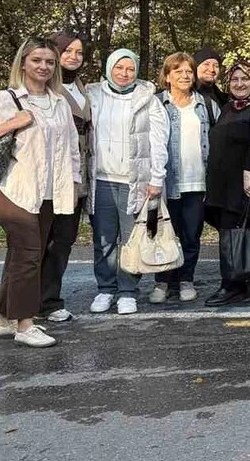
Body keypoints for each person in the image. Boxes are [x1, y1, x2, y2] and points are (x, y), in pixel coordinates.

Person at [0, 38, 80, 347]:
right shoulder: (5, 98)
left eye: (50, 62)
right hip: (12, 188)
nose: (44, 66)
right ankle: (26, 324)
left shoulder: (59, 102)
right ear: (24, 62)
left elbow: (71, 148)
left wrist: (74, 182)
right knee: (29, 253)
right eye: (37, 60)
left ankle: (5, 317)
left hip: (48, 191)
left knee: (25, 253)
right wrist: (13, 122)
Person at [85, 49, 168, 315]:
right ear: (109, 68)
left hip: (136, 182)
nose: (124, 73)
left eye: (130, 69)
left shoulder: (148, 99)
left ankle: (128, 291)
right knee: (104, 239)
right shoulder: (93, 95)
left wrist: (156, 177)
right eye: (119, 68)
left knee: (132, 239)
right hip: (102, 179)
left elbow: (158, 141)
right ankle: (105, 289)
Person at [204, 62, 250, 306]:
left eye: (245, 78)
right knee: (229, 232)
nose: (239, 83)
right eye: (234, 79)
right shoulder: (228, 108)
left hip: (246, 182)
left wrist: (248, 175)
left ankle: (232, 285)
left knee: (235, 232)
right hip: (222, 183)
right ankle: (237, 280)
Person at [150, 53, 219, 305]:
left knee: (191, 236)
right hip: (166, 182)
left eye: (188, 71)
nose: (184, 76)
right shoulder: (156, 104)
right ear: (167, 76)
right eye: (177, 71)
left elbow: (218, 140)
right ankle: (162, 281)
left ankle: (186, 280)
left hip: (197, 182)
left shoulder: (206, 105)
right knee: (164, 234)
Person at [38, 31, 89, 324]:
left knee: (63, 241)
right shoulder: (45, 88)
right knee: (39, 241)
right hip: (49, 176)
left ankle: (50, 300)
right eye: (67, 50)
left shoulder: (84, 88)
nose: (73, 56)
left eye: (78, 52)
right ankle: (23, 302)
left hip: (78, 177)